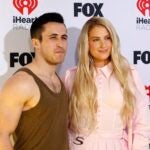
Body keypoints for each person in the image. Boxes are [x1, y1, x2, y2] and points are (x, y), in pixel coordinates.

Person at [64, 17, 150, 150]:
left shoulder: (128, 74)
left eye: (107, 38)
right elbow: (63, 122)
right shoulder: (72, 76)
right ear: (87, 43)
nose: (103, 45)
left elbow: (142, 123)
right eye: (96, 39)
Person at [0, 12, 69, 150]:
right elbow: (2, 135)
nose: (60, 44)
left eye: (64, 37)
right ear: (36, 43)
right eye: (53, 37)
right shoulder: (22, 83)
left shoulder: (59, 80)